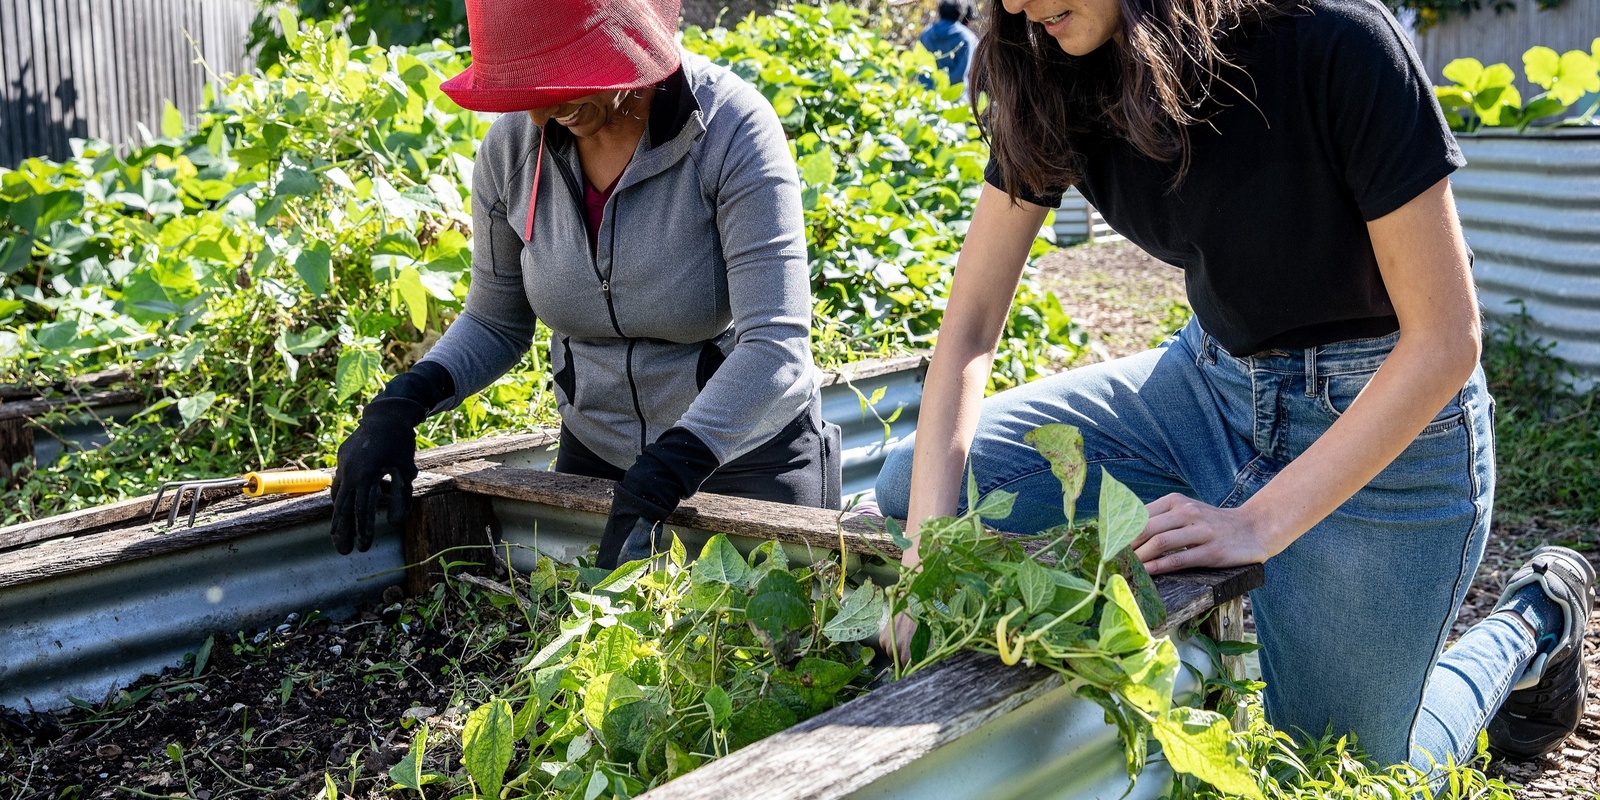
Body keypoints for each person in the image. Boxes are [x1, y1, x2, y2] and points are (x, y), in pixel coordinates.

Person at [876, 0, 1594, 771]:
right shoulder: (1048, 66)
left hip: (1386, 427)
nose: (1016, 5)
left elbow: (1446, 340)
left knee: (1335, 768)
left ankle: (1533, 622)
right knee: (916, 487)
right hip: (1205, 387)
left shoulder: (1338, 41)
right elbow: (973, 324)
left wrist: (1255, 525)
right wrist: (924, 560)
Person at [329, 0, 840, 569]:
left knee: (755, 646)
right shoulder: (510, 151)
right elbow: (494, 321)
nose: (543, 115)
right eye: (527, 92)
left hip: (742, 456)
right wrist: (400, 405)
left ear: (622, 40)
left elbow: (776, 346)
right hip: (597, 453)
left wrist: (670, 467)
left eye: (560, 85)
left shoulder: (729, 130)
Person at [918, 1, 980, 89]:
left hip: (928, 95)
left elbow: (921, 68)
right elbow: (962, 73)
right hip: (957, 96)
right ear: (960, 13)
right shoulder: (967, 37)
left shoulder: (926, 34)